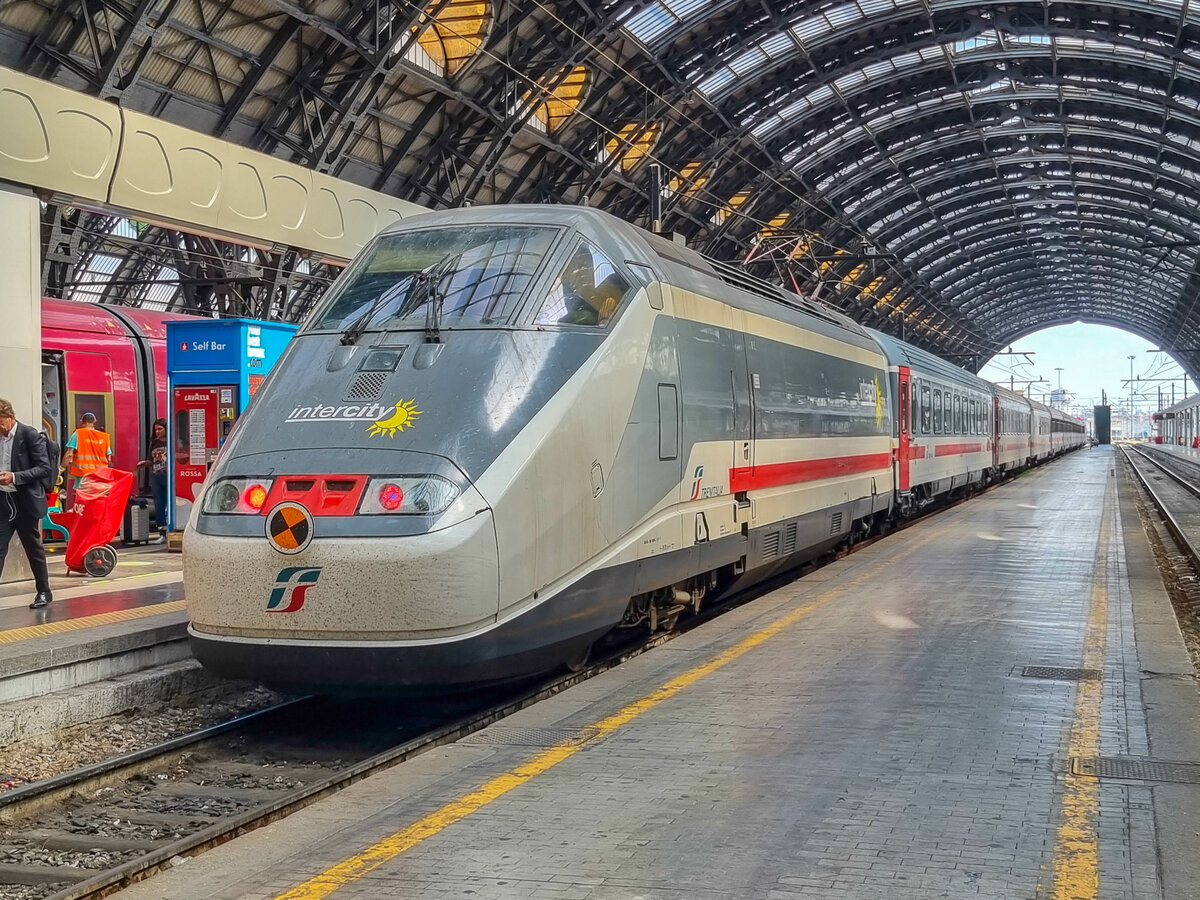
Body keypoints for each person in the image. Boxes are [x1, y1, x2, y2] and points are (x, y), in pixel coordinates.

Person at [0, 398, 53, 609]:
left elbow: (43, 468)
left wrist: (13, 476)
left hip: (25, 502)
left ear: (10, 417)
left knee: (33, 548)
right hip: (3, 502)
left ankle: (44, 591)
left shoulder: (29, 434)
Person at [61, 412, 112, 499]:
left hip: (84, 478)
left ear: (82, 422)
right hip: (100, 478)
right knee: (96, 503)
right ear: (94, 421)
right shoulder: (104, 437)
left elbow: (69, 454)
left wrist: (61, 469)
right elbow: (109, 459)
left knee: (82, 503)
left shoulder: (78, 434)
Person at [138, 418, 168, 543]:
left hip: (168, 476)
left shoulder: (172, 441)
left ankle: (170, 529)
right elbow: (152, 461)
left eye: (160, 429)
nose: (157, 432)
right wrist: (145, 463)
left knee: (170, 504)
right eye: (155, 430)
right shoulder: (154, 443)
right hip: (156, 476)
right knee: (159, 504)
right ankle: (162, 532)